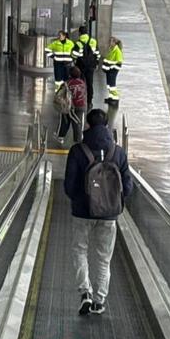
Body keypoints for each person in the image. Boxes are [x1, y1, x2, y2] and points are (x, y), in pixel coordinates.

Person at [64, 107, 133, 315]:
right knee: (104, 258)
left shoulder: (78, 150)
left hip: (82, 213)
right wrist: (114, 202)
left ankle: (85, 292)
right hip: (109, 215)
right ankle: (99, 301)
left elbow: (69, 186)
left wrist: (80, 201)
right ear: (107, 126)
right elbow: (128, 185)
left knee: (80, 251)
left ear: (87, 126)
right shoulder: (118, 152)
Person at [56, 66, 87, 147]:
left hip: (69, 106)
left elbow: (59, 94)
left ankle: (60, 137)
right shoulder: (82, 82)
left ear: (69, 74)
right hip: (81, 106)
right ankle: (78, 140)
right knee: (78, 123)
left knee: (65, 122)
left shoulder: (67, 83)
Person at [73, 24, 100, 105]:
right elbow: (97, 54)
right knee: (89, 83)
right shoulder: (93, 41)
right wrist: (96, 62)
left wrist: (74, 60)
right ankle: (89, 101)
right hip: (91, 66)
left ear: (80, 33)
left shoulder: (78, 43)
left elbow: (74, 54)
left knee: (80, 82)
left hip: (81, 66)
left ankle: (80, 99)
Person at [103, 37, 123, 105]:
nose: (110, 43)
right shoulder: (112, 49)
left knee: (112, 85)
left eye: (111, 41)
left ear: (114, 43)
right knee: (109, 85)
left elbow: (119, 62)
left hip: (113, 70)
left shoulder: (117, 51)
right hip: (110, 70)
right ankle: (111, 97)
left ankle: (115, 98)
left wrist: (111, 67)